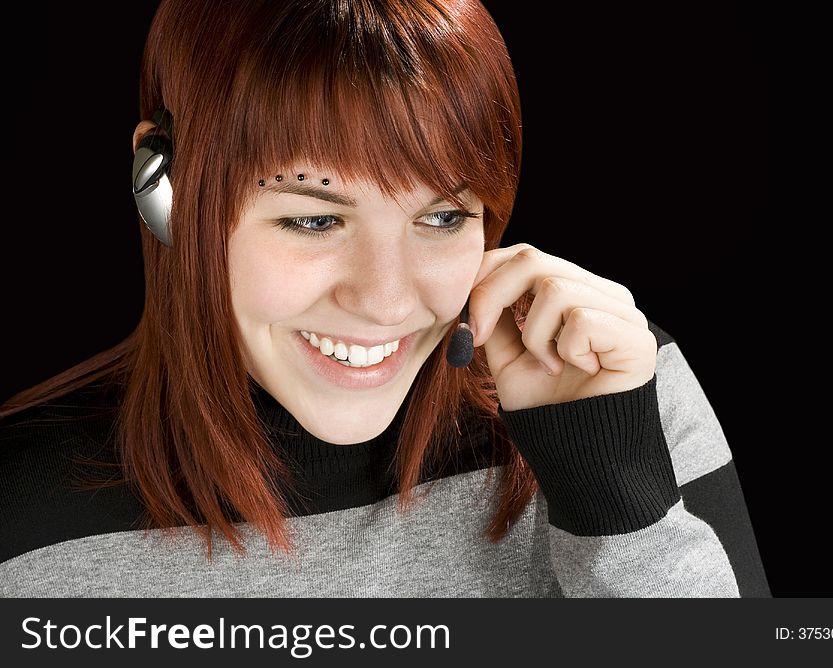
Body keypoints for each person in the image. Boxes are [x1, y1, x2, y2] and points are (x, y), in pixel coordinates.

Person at [0, 0, 769, 597]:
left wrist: (613, 490)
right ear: (161, 191)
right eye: (313, 217)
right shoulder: (20, 516)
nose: (388, 301)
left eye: (441, 217)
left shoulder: (617, 384)